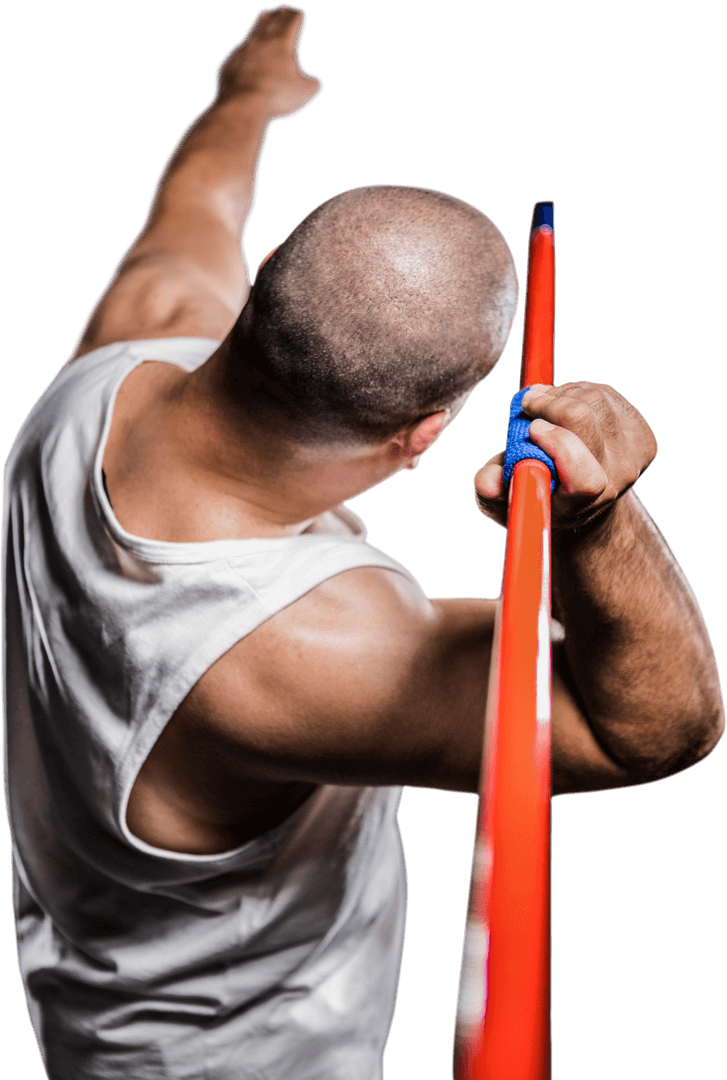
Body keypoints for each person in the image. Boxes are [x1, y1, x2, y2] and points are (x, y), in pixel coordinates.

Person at [2, 6, 723, 1079]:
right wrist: (596, 516)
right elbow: (652, 732)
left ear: (263, 279)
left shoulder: (124, 347)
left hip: (86, 983)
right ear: (424, 436)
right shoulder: (294, 645)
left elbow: (199, 198)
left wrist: (247, 93)